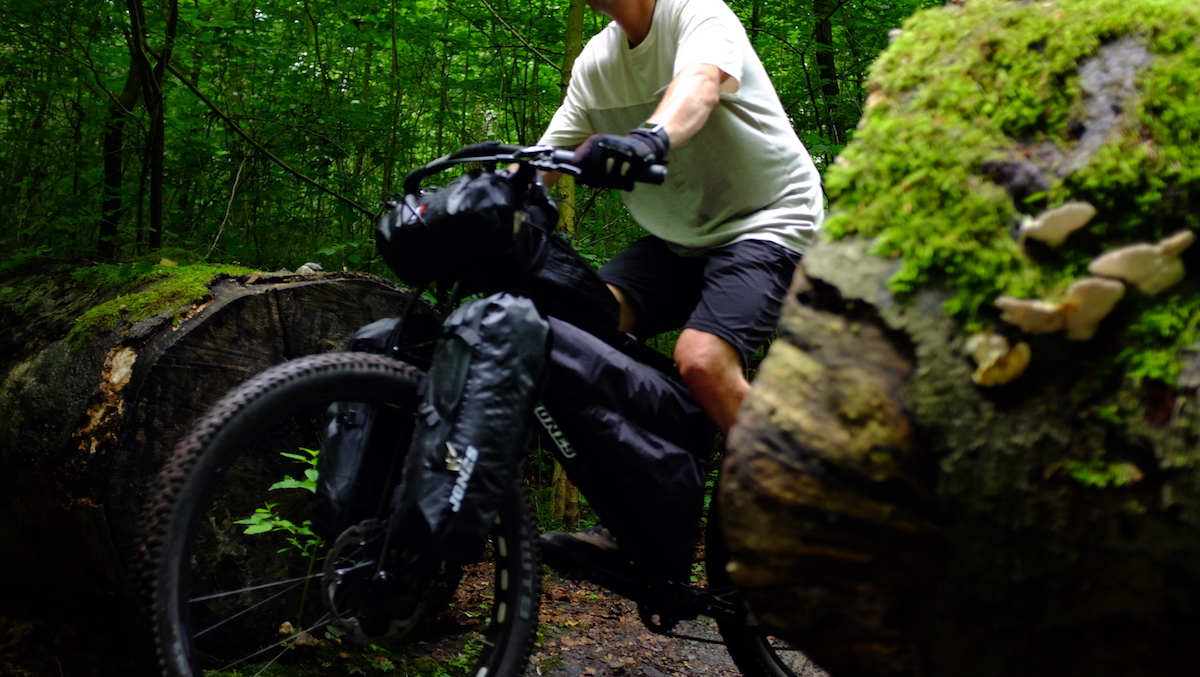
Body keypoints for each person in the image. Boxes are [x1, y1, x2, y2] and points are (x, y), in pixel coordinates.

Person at [537, 0, 824, 576]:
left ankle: (815, 506)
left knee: (702, 360)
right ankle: (644, 512)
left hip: (770, 222)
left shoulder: (697, 12)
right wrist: (483, 199)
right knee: (566, 330)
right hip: (678, 242)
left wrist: (648, 140)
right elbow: (545, 157)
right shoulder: (595, 62)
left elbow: (699, 85)